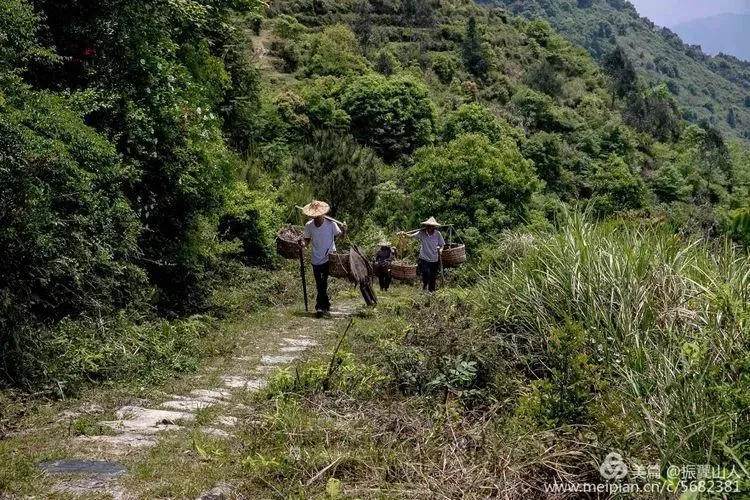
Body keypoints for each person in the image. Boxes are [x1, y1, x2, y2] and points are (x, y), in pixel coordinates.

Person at [299, 200, 345, 317]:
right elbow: (307, 240)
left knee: (322, 282)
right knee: (320, 282)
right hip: (316, 258)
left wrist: (344, 229)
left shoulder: (331, 224)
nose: (315, 217)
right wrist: (302, 244)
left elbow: (340, 236)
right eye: (313, 215)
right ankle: (326, 304)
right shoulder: (309, 226)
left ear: (321, 213)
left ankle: (319, 307)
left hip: (329, 256)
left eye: (317, 215)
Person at [399, 217, 445, 292]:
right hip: (424, 258)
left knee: (433, 276)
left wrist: (441, 250)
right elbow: (411, 236)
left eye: (431, 226)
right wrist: (404, 233)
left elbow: (442, 245)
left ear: (434, 227)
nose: (429, 227)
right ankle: (424, 287)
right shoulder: (422, 233)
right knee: (425, 273)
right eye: (428, 226)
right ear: (426, 226)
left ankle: (431, 292)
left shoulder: (438, 234)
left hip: (434, 258)